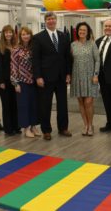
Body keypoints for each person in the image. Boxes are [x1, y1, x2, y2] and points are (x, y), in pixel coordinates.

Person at [32, 11, 71, 141]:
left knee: (62, 105)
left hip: (61, 77)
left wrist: (68, 74)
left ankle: (63, 128)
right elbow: (35, 59)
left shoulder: (64, 36)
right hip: (45, 78)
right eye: (48, 19)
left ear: (56, 20)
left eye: (53, 19)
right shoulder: (38, 37)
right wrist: (38, 77)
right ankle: (46, 130)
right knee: (45, 105)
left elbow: (67, 57)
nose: (51, 21)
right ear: (45, 21)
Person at [70, 22, 100, 136]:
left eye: (84, 30)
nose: (82, 32)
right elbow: (70, 61)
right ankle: (86, 125)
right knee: (81, 102)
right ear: (77, 31)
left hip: (90, 77)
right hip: (77, 77)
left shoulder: (92, 44)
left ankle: (91, 124)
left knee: (88, 102)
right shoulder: (72, 45)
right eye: (80, 30)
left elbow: (97, 60)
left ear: (88, 32)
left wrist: (96, 74)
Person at [11, 27, 40, 138]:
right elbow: (13, 66)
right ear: (20, 36)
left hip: (34, 81)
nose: (25, 36)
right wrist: (15, 83)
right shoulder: (15, 49)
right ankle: (26, 128)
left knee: (34, 104)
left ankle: (34, 126)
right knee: (24, 105)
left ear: (30, 35)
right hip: (21, 82)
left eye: (27, 34)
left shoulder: (34, 48)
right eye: (23, 34)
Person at [0, 24, 20, 136]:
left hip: (15, 80)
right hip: (4, 81)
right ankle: (8, 129)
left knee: (15, 104)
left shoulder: (16, 46)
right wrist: (0, 81)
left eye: (10, 32)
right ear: (3, 34)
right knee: (6, 105)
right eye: (6, 32)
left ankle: (16, 126)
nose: (8, 34)